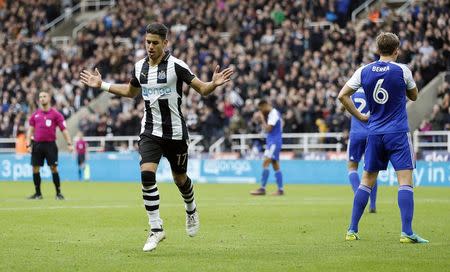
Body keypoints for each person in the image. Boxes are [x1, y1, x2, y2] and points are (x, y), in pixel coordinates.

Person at [80, 22, 234, 252]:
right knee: (146, 174)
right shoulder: (139, 67)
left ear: (165, 43)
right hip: (150, 131)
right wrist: (102, 84)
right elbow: (131, 92)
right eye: (147, 42)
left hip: (176, 133)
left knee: (180, 179)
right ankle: (156, 228)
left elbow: (202, 89)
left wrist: (214, 84)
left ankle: (191, 209)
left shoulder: (177, 66)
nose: (150, 46)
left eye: (154, 42)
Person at [338, 32, 428, 243]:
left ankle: (352, 230)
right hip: (397, 133)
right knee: (405, 181)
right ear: (397, 50)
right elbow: (414, 96)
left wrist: (361, 116)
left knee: (367, 180)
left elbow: (342, 95)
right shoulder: (402, 70)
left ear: (377, 50)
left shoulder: (363, 71)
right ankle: (406, 232)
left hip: (375, 132)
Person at [26, 91, 73, 200]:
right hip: (37, 145)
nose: (42, 98)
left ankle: (58, 193)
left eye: (44, 96)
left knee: (54, 168)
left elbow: (64, 130)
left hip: (50, 145)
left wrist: (69, 144)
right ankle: (38, 194)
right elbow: (30, 131)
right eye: (40, 97)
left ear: (49, 98)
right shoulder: (35, 115)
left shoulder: (56, 114)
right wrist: (28, 144)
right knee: (35, 169)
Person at [347, 88, 377, 213]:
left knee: (352, 167)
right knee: (372, 170)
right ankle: (373, 204)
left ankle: (359, 198)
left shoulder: (352, 93)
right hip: (372, 133)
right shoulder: (374, 91)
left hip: (356, 133)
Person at [250, 100, 284, 196]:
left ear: (265, 106)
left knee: (266, 162)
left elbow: (268, 128)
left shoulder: (273, 113)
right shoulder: (274, 114)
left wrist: (261, 119)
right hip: (273, 141)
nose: (261, 111)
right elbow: (282, 123)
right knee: (275, 164)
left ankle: (262, 188)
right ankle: (280, 189)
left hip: (274, 142)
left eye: (261, 109)